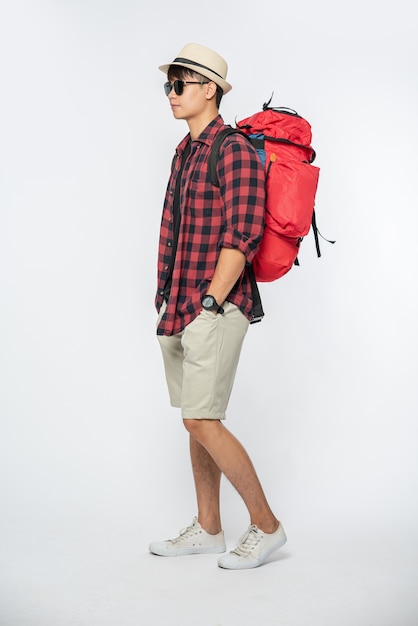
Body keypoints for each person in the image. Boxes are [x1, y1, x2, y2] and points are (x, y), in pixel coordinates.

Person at [149, 43, 286, 570]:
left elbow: (242, 231)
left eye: (180, 84)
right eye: (169, 85)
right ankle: (209, 528)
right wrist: (170, 299)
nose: (171, 94)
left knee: (203, 418)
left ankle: (268, 526)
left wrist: (211, 300)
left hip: (215, 305)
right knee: (194, 418)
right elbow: (175, 229)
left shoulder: (231, 149)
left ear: (210, 89)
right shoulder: (184, 152)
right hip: (181, 304)